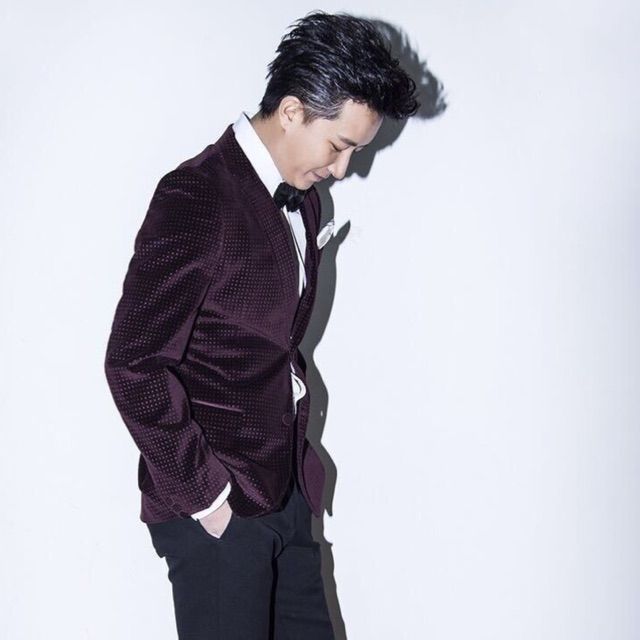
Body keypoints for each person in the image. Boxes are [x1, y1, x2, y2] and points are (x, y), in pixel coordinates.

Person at [103, 10, 418, 639]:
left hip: (285, 493)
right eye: (340, 146)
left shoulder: (305, 201)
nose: (344, 169)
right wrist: (207, 497)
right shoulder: (198, 195)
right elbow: (133, 362)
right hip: (219, 509)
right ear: (294, 111)